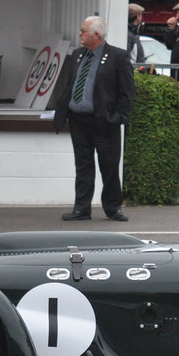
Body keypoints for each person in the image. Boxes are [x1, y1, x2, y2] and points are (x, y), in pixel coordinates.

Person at [53, 16, 135, 222]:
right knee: (83, 165)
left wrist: (119, 118)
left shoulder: (118, 57)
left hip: (104, 121)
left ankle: (113, 207)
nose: (80, 34)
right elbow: (70, 84)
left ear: (96, 34)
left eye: (83, 31)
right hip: (79, 120)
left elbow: (127, 91)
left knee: (109, 166)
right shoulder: (78, 54)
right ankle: (82, 208)